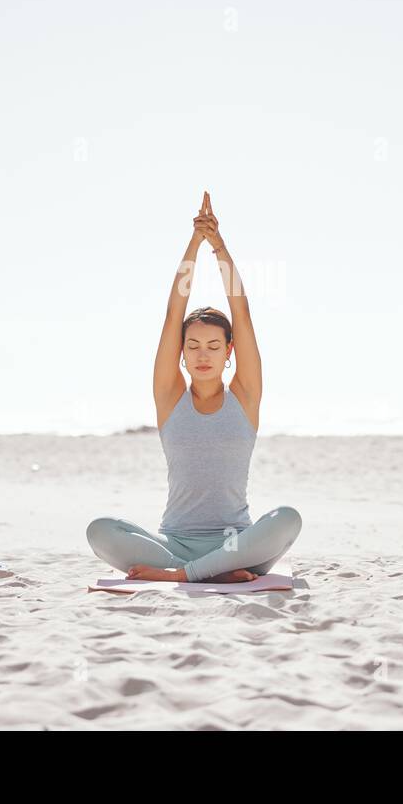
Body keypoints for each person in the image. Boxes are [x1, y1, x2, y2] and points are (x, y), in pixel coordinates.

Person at [86, 192, 301, 583]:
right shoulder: (170, 397)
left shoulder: (245, 395)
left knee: (288, 519)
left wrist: (218, 246)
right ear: (181, 354)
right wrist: (193, 243)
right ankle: (210, 573)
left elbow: (243, 314)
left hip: (238, 543)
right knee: (100, 529)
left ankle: (182, 577)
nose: (204, 355)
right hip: (174, 545)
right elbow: (173, 313)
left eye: (214, 346)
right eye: (194, 346)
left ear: (228, 351)